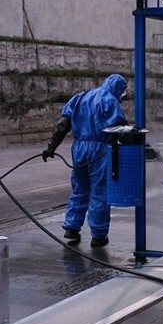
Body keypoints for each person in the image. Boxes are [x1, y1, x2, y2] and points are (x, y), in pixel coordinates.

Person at [41, 74, 128, 247]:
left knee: (80, 187)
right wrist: (136, 146)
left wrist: (51, 148)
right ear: (118, 88)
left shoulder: (80, 97)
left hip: (79, 149)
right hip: (100, 150)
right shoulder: (110, 101)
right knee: (100, 191)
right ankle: (98, 234)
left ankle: (72, 227)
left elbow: (62, 125)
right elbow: (120, 129)